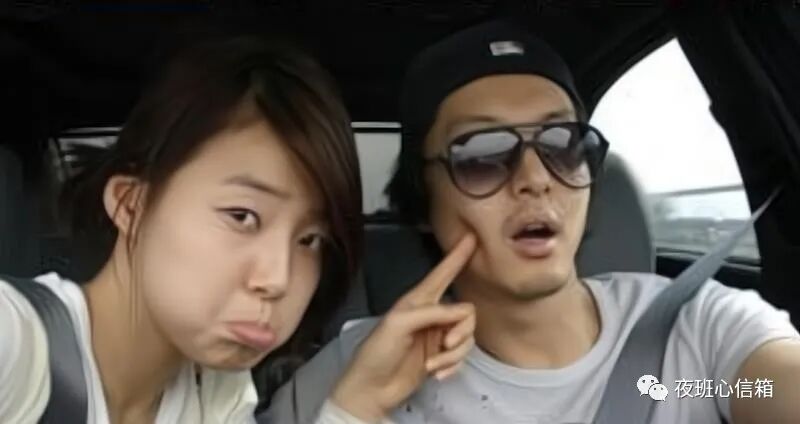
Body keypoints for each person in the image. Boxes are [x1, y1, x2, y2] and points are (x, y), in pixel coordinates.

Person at [263, 20, 800, 423]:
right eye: (481, 155)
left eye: (563, 145)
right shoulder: (358, 371)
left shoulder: (693, 334)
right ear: (423, 205)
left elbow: (773, 386)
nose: (536, 179)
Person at [0, 36, 478, 423]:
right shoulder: (17, 341)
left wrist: (361, 399)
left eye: (310, 240)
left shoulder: (218, 397)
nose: (278, 279)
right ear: (131, 204)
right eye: (242, 216)